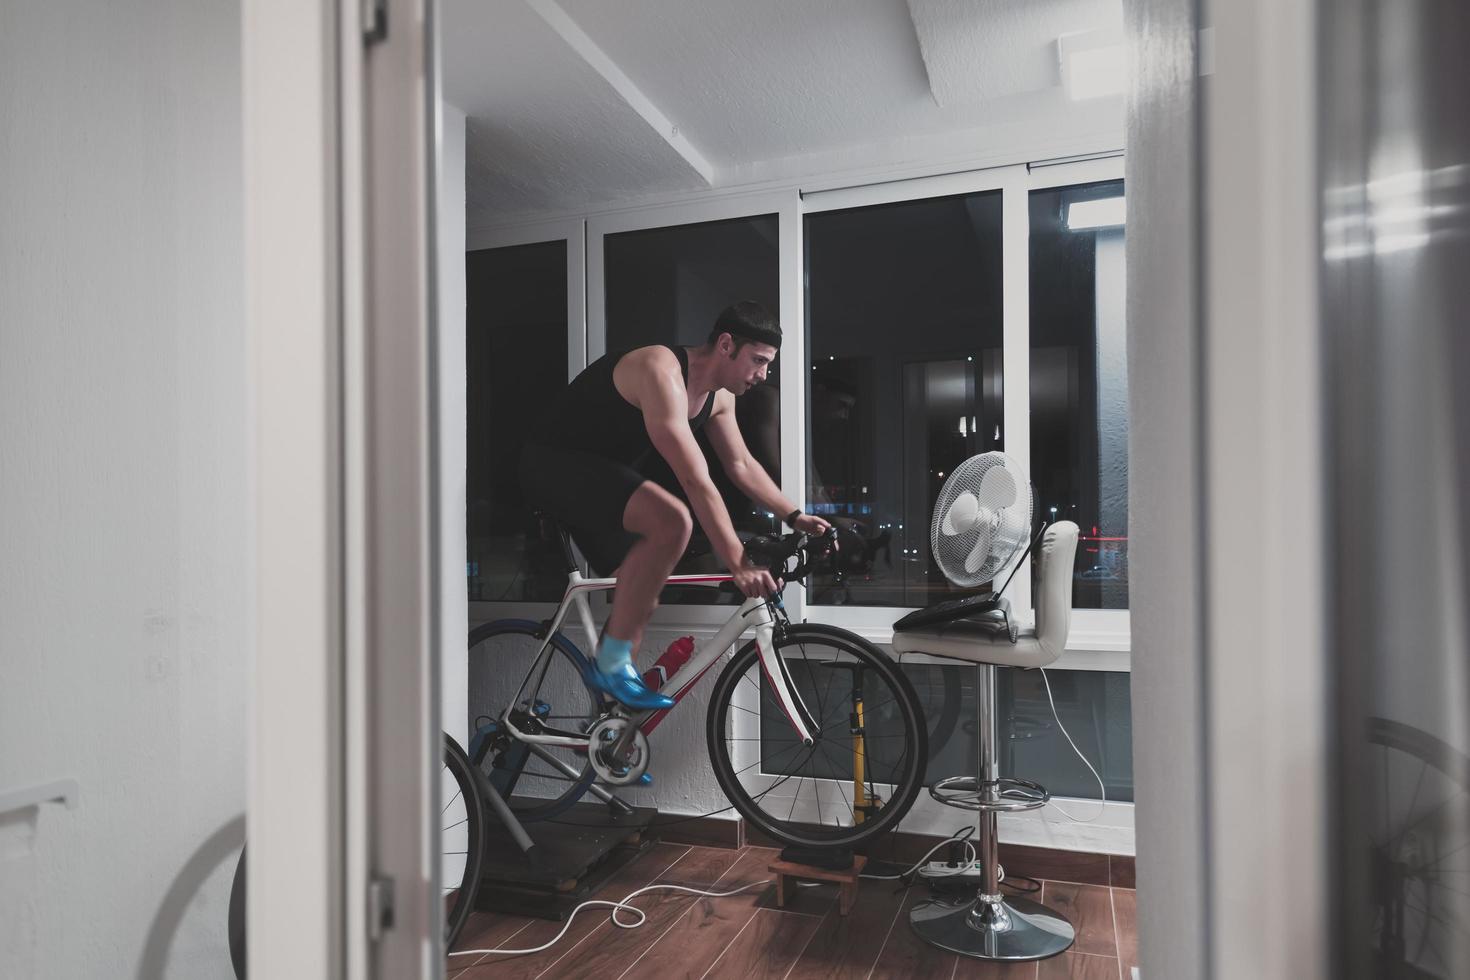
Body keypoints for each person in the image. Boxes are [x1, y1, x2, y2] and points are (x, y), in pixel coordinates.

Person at [519, 301, 832, 710]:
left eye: (768, 365)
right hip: (552, 465)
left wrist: (794, 515)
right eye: (758, 361)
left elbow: (740, 465)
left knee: (643, 585)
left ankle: (613, 734)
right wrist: (737, 562)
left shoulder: (719, 398)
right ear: (725, 345)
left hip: (603, 481)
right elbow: (695, 479)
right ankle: (612, 666)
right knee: (672, 521)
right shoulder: (660, 369)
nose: (763, 375)